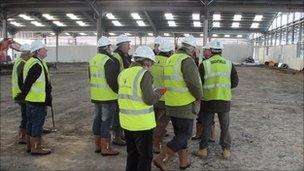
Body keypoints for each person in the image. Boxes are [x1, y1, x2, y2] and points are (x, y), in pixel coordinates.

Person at [154, 35, 203, 171]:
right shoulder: (187, 60)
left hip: (171, 103)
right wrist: (199, 96)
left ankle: (184, 162)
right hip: (184, 104)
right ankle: (161, 158)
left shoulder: (171, 59)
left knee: (180, 134)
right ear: (192, 49)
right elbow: (193, 83)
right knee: (185, 135)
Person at [118, 46, 166, 171]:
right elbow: (149, 99)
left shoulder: (123, 73)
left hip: (126, 121)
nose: (151, 66)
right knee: (145, 157)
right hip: (142, 123)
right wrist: (159, 93)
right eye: (151, 64)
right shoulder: (144, 74)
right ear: (147, 61)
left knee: (132, 154)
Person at [194, 40, 239, 159]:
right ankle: (226, 150)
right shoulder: (229, 63)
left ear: (211, 50)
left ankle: (203, 149)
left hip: (208, 100)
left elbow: (199, 83)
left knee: (207, 125)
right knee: (225, 126)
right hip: (224, 100)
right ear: (221, 51)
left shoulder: (205, 64)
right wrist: (224, 88)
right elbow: (235, 82)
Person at [15, 40, 52, 155]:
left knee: (30, 123)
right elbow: (28, 82)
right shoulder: (36, 65)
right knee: (37, 124)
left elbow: (22, 79)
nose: (46, 51)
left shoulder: (31, 62)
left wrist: (23, 95)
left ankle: (30, 146)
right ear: (38, 51)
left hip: (31, 100)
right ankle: (36, 147)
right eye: (44, 49)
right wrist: (22, 94)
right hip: (37, 100)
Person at [89, 36, 120, 156]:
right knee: (106, 122)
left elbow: (90, 77)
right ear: (107, 48)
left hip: (96, 96)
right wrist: (118, 91)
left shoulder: (93, 60)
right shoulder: (108, 61)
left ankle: (98, 146)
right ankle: (105, 148)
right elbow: (111, 81)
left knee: (97, 120)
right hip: (107, 97)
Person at [150, 38, 174, 154]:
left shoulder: (152, 61)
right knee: (161, 123)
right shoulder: (170, 63)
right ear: (170, 52)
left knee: (152, 120)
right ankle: (156, 144)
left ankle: (149, 140)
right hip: (165, 98)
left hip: (152, 96)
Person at [191, 43, 216, 142]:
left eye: (206, 50)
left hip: (210, 93)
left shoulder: (210, 63)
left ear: (211, 51)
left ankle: (211, 135)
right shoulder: (203, 61)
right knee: (200, 115)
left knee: (210, 116)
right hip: (202, 92)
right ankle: (199, 133)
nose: (204, 51)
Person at [112, 34, 132, 146]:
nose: (129, 47)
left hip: (123, 90)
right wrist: (118, 90)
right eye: (128, 45)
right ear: (122, 45)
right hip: (119, 91)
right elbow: (114, 76)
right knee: (117, 115)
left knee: (121, 113)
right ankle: (117, 137)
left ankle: (120, 134)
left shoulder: (123, 55)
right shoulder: (117, 57)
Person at [11, 43, 31, 144]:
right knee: (26, 115)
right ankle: (22, 135)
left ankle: (25, 133)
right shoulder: (22, 64)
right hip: (21, 94)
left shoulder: (19, 61)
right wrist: (24, 93)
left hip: (19, 93)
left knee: (26, 115)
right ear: (27, 53)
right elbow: (21, 81)